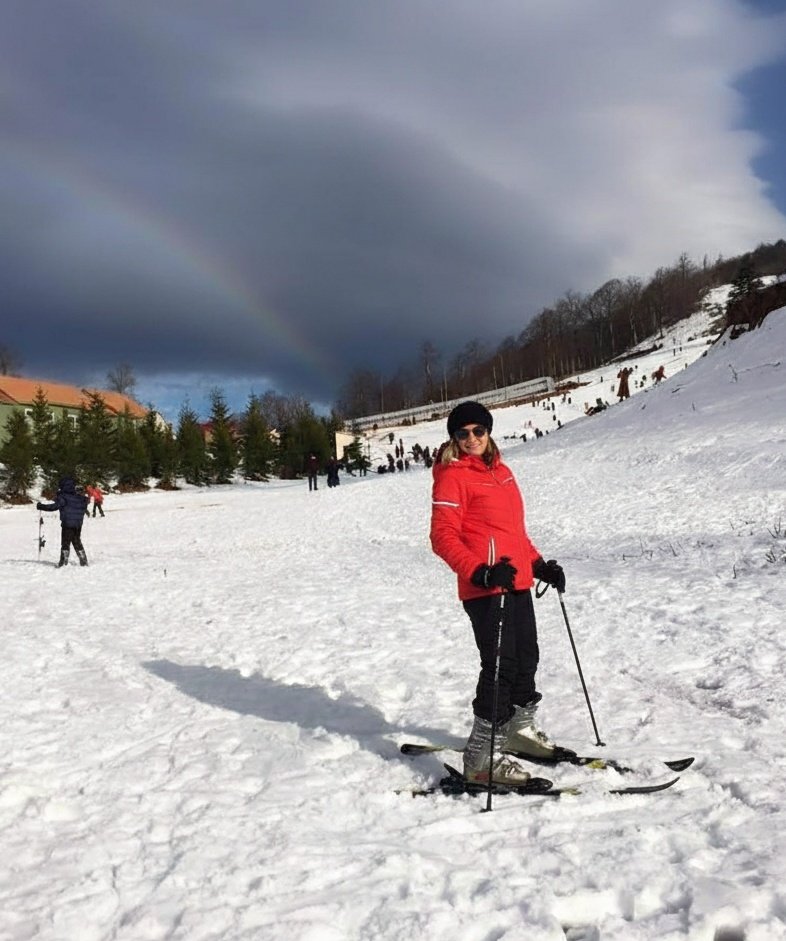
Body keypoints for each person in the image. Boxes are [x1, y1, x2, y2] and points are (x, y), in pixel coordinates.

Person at [430, 402, 565, 786]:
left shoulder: (502, 472)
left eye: (478, 430)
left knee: (526, 659)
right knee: (500, 666)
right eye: (462, 433)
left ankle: (518, 731)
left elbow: (512, 533)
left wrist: (537, 565)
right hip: (485, 588)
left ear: (488, 431)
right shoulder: (452, 476)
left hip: (516, 582)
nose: (471, 438)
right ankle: (481, 757)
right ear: (453, 438)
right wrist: (482, 571)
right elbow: (442, 537)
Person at [37, 476, 90, 567]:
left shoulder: (64, 497)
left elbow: (54, 507)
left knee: (65, 542)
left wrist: (41, 506)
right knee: (76, 541)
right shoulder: (79, 497)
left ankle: (63, 562)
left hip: (67, 523)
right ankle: (83, 561)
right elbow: (83, 506)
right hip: (78, 524)